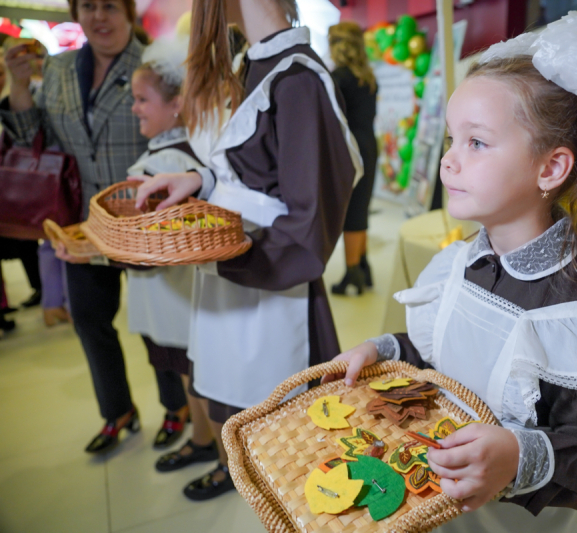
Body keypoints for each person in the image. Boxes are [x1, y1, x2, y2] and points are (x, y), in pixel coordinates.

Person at [323, 10, 577, 532]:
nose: (448, 161)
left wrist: (519, 457)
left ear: (550, 168)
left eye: (475, 142)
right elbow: (438, 356)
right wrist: (384, 350)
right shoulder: (457, 265)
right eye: (452, 139)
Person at [133, 0, 362, 500]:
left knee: (286, 444)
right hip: (236, 275)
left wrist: (222, 255)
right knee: (247, 429)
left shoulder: (297, 78)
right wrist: (199, 178)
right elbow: (258, 168)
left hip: (269, 283)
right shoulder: (252, 63)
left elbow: (309, 225)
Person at [0, 0, 149, 453]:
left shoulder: (153, 64)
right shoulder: (62, 68)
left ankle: (178, 408)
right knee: (88, 319)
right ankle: (117, 411)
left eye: (109, 6)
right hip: (82, 223)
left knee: (154, 324)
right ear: (75, 12)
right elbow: (30, 136)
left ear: (127, 11)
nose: (99, 16)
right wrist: (19, 84)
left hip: (144, 219)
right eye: (89, 6)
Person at [125, 37, 207, 451]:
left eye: (143, 100)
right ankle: (202, 437)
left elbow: (152, 242)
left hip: (172, 294)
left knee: (192, 373)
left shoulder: (166, 166)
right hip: (172, 294)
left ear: (175, 104)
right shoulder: (174, 155)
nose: (135, 108)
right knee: (187, 371)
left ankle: (206, 441)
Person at [328, 21, 378, 296]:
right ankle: (362, 265)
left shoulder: (338, 79)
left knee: (351, 214)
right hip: (369, 144)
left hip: (350, 150)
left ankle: (352, 274)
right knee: (362, 206)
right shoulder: (367, 77)